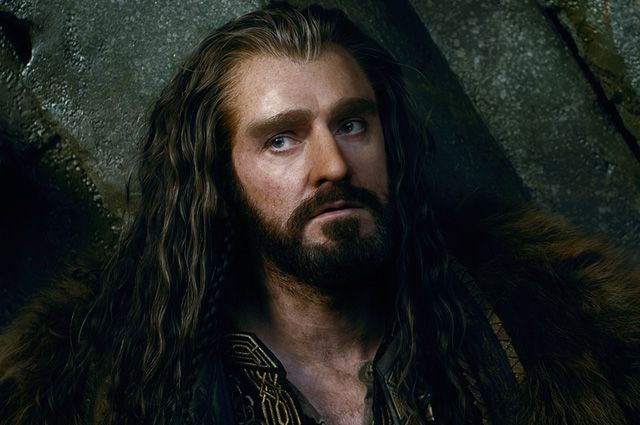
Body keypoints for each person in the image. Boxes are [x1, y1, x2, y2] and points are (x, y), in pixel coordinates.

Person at [1, 2, 639, 425]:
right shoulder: (101, 386)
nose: (333, 165)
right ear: (218, 177)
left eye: (353, 124)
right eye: (281, 139)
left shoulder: (553, 316)